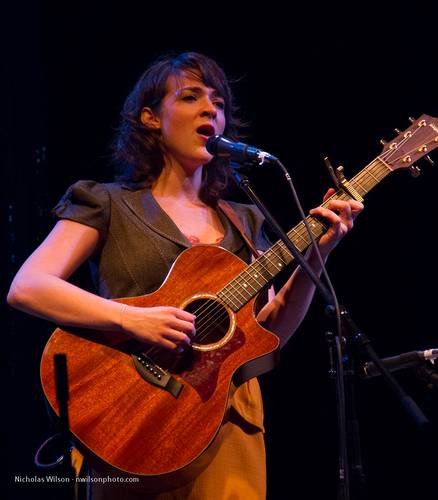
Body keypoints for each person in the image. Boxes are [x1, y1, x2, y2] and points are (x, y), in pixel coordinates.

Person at [7, 51, 363, 499]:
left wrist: (319, 252)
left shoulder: (246, 219)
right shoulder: (108, 203)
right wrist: (133, 319)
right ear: (151, 117)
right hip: (127, 418)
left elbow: (269, 333)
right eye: (191, 97)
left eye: (218, 103)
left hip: (226, 418)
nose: (210, 110)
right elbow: (29, 287)